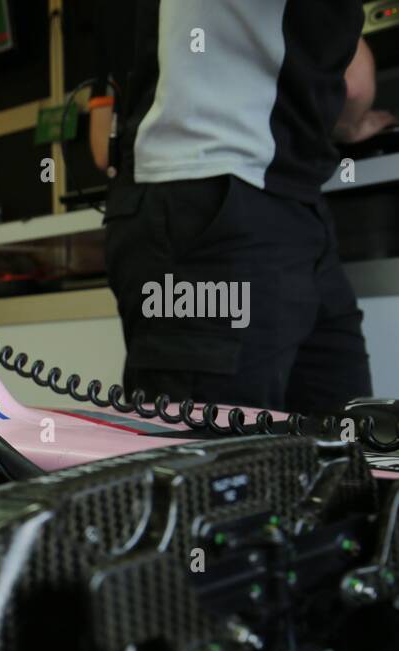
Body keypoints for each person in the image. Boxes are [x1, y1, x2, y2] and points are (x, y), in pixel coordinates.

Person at [91, 1, 395, 415]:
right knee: (222, 461)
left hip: (234, 203)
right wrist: (351, 122)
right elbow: (354, 84)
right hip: (215, 207)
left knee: (323, 453)